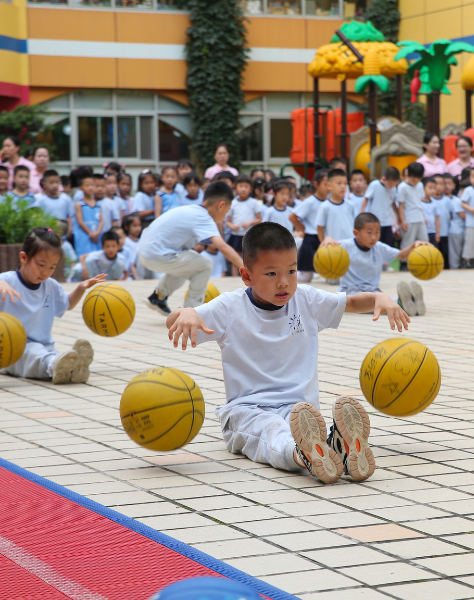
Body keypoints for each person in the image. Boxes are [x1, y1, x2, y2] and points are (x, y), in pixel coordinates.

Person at [166, 222, 410, 484]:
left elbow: (349, 302)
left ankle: (338, 447)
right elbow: (174, 322)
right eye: (271, 273)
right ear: (247, 276)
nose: (284, 282)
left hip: (300, 412)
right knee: (272, 431)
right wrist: (186, 312)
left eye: (292, 271)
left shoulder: (306, 299)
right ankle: (302, 454)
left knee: (303, 429)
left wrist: (378, 298)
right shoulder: (229, 307)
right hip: (247, 411)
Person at [0, 228, 104, 384]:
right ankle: (60, 366)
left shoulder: (51, 285)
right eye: (41, 264)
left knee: (51, 356)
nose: (45, 272)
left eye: (52, 267)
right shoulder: (7, 281)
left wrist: (81, 288)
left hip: (45, 347)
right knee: (43, 357)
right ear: (24, 257)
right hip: (13, 351)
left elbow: (68, 304)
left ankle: (74, 368)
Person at [139, 182, 244, 315]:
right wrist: (246, 269)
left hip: (145, 251)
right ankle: (193, 311)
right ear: (221, 205)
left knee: (190, 264)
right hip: (156, 254)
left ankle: (158, 296)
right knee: (205, 265)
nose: (226, 215)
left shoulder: (192, 210)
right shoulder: (203, 217)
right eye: (227, 211)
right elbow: (222, 246)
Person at [323, 211, 430, 312]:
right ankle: (401, 304)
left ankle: (408, 302)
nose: (374, 237)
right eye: (369, 233)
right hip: (349, 291)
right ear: (356, 233)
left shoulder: (380, 248)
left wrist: (414, 245)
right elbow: (329, 248)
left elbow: (401, 255)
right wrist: (327, 239)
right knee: (366, 303)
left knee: (378, 299)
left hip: (372, 291)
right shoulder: (346, 246)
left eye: (377, 232)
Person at [290, 169, 330, 283]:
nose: (328, 187)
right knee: (307, 277)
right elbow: (292, 217)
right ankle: (288, 273)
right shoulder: (310, 201)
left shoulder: (329, 201)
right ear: (316, 184)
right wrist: (304, 229)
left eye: (330, 184)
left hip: (325, 239)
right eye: (325, 184)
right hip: (311, 239)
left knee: (330, 272)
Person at [226, 175, 263, 276]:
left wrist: (249, 223)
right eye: (241, 186)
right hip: (236, 235)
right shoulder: (233, 203)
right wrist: (232, 227)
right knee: (235, 257)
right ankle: (234, 278)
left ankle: (251, 277)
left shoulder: (254, 202)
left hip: (249, 235)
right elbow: (228, 221)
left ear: (250, 189)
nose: (243, 189)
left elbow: (259, 219)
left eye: (246, 186)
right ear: (236, 188)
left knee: (250, 257)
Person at [360, 167, 401, 250]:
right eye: (390, 184)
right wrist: (362, 213)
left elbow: (393, 203)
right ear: (384, 179)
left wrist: (398, 216)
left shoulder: (393, 189)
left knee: (388, 245)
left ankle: (386, 259)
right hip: (375, 220)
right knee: (375, 244)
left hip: (387, 221)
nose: (391, 187)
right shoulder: (375, 185)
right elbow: (366, 198)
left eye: (394, 185)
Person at [396, 162, 428, 256]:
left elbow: (419, 202)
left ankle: (423, 258)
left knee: (424, 240)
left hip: (419, 217)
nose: (415, 182)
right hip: (409, 218)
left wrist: (423, 217)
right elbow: (401, 205)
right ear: (407, 175)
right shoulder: (402, 187)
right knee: (408, 241)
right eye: (413, 180)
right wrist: (402, 220)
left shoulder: (420, 185)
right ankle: (404, 261)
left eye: (417, 180)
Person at [315, 169, 355, 243]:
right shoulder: (325, 206)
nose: (343, 186)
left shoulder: (350, 204)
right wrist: (323, 242)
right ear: (329, 185)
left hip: (350, 244)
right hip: (334, 245)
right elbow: (319, 227)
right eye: (339, 183)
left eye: (345, 183)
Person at [34, 170, 74, 237]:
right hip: (47, 235)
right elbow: (37, 217)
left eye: (57, 182)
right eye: (51, 183)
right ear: (45, 184)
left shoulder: (65, 199)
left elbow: (68, 216)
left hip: (62, 235)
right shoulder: (40, 200)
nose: (55, 185)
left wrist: (69, 229)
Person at [74, 174, 103, 259]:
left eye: (93, 185)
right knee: (85, 259)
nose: (90, 188)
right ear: (80, 188)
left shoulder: (99, 205)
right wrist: (91, 234)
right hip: (84, 237)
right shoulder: (79, 204)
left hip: (97, 237)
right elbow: (80, 222)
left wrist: (97, 233)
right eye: (87, 185)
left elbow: (101, 221)